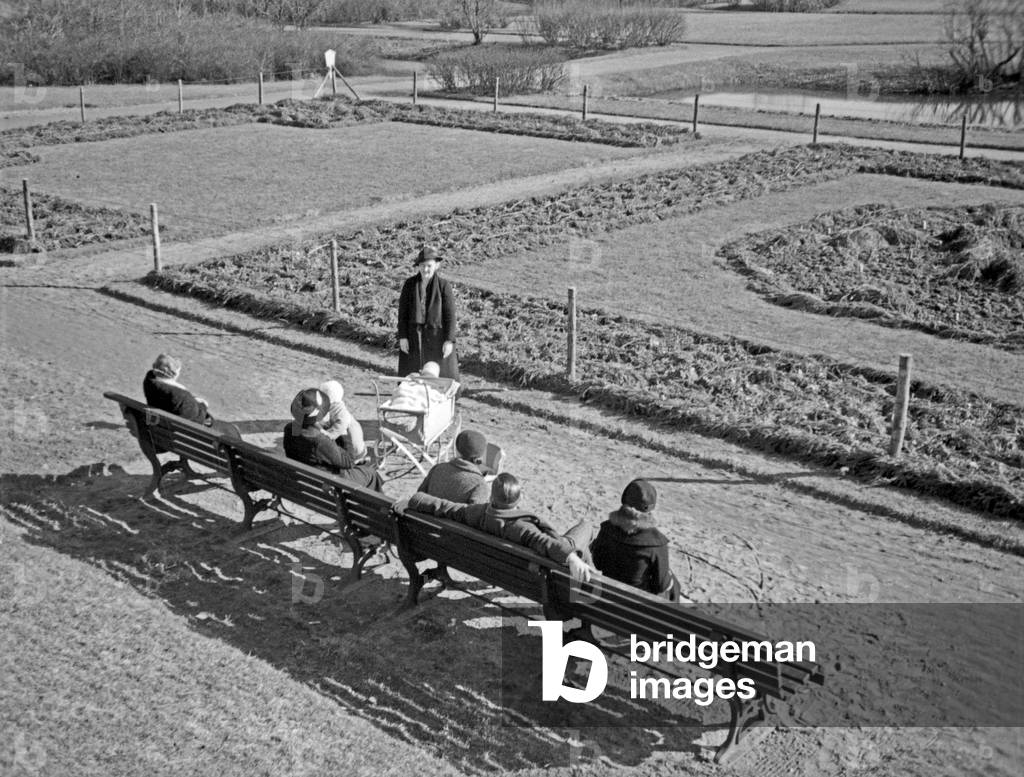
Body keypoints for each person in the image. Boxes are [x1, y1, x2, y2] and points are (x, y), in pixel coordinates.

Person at [394, 473, 592, 582]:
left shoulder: (473, 513)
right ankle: (592, 581)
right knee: (586, 527)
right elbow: (546, 542)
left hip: (489, 566)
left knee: (575, 540)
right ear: (519, 500)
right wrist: (572, 558)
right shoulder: (521, 527)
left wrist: (412, 500)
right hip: (527, 576)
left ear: (491, 498)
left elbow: (444, 507)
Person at [590, 479, 679, 601]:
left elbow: (598, 563)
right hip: (636, 608)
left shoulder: (607, 529)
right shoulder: (656, 543)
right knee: (673, 584)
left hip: (606, 600)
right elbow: (661, 586)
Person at [283, 388, 383, 493]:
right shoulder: (319, 440)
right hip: (330, 482)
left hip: (307, 476)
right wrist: (344, 433)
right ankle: (378, 508)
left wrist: (322, 430)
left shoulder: (291, 428)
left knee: (362, 470)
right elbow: (349, 462)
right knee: (371, 474)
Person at [142, 353, 241, 440]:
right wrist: (202, 405)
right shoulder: (180, 395)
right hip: (181, 436)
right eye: (179, 371)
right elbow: (196, 421)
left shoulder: (150, 382)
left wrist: (192, 402)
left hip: (161, 427)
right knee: (231, 431)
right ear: (173, 374)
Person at [397, 245, 459, 380]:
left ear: (436, 265)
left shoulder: (444, 286)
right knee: (413, 373)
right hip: (414, 336)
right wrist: (403, 336)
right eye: (422, 265)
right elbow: (403, 313)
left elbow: (450, 316)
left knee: (439, 374)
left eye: (429, 266)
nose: (425, 269)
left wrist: (449, 340)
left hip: (437, 337)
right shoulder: (409, 285)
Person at [417, 429, 490, 505]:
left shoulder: (437, 469)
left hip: (419, 516)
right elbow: (475, 514)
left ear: (457, 449)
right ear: (480, 457)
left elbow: (418, 497)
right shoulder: (479, 485)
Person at [381, 361, 450, 433]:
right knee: (424, 401)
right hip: (414, 411)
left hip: (396, 408)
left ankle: (397, 416)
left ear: (421, 371)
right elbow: (440, 398)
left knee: (402, 395)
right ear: (436, 377)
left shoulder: (408, 381)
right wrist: (444, 396)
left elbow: (398, 391)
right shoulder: (431, 389)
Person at [319, 379, 367, 461]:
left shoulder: (342, 415)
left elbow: (334, 432)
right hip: (353, 447)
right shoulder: (336, 408)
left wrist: (323, 432)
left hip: (354, 452)